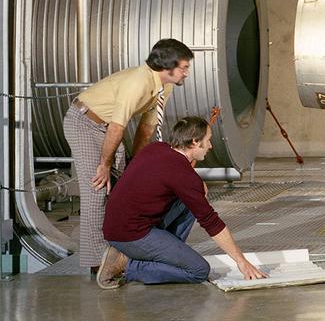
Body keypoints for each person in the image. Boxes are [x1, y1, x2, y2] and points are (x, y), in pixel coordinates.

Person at [62, 38, 195, 276]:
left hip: (106, 128)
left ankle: (123, 249)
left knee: (123, 188)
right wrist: (104, 165)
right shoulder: (138, 83)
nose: (186, 73)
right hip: (84, 123)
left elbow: (146, 127)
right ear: (167, 67)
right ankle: (98, 263)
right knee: (98, 187)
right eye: (183, 68)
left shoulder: (165, 85)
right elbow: (117, 127)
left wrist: (136, 164)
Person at [97, 115, 266, 288]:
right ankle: (128, 265)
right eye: (208, 140)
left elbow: (178, 178)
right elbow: (211, 222)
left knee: (191, 200)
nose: (210, 146)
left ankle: (163, 256)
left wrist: (196, 185)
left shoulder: (156, 148)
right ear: (194, 142)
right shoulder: (182, 174)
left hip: (116, 226)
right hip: (131, 234)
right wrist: (241, 261)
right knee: (198, 270)